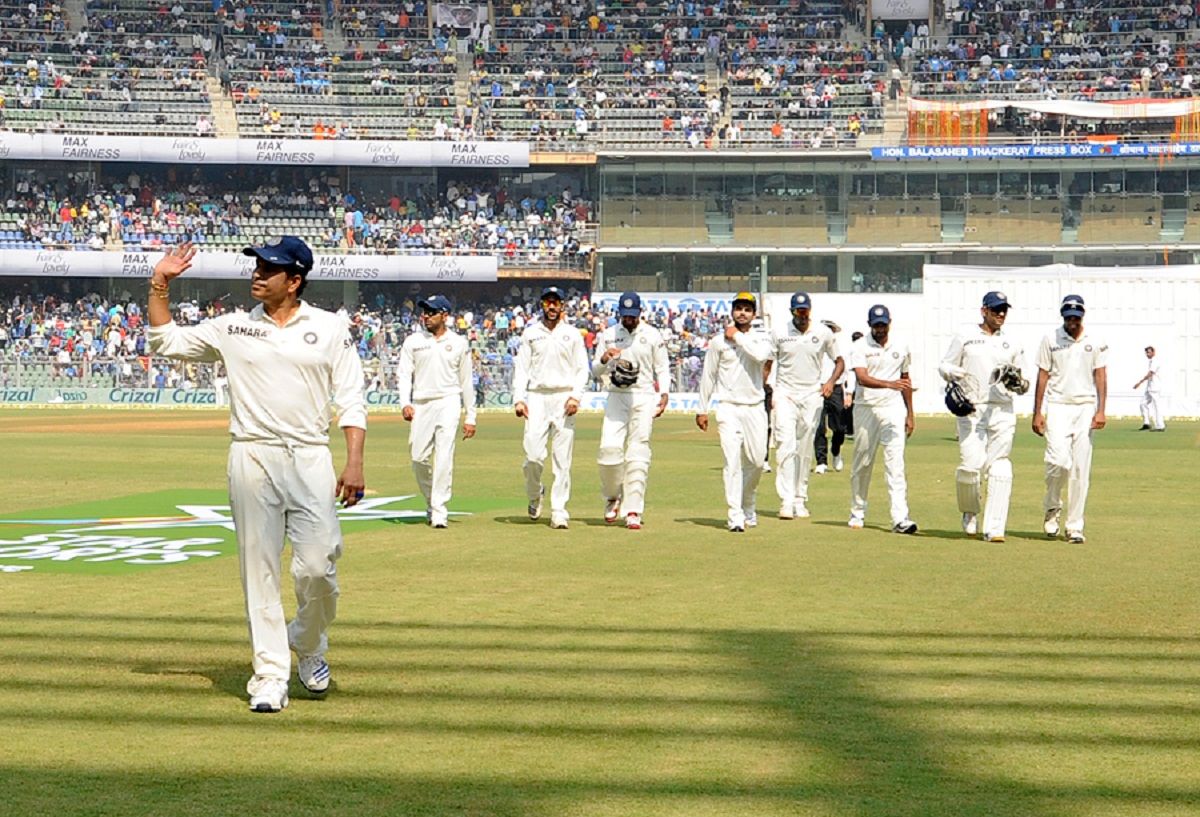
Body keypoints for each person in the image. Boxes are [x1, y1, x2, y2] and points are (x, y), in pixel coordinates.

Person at [147, 237, 366, 713]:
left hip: (310, 456)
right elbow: (168, 342)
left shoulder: (330, 328)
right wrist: (160, 282)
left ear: (296, 280)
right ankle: (269, 673)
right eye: (258, 266)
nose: (258, 274)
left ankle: (307, 643)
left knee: (319, 566)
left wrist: (354, 461)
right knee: (258, 569)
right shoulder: (232, 328)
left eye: (271, 268)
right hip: (251, 455)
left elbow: (351, 398)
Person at [938, 291, 1026, 542]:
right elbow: (944, 364)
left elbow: (1025, 383)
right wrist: (955, 374)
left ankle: (995, 528)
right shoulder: (966, 336)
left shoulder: (1013, 342)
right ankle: (970, 512)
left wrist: (1018, 382)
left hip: (1002, 409)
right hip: (972, 409)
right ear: (984, 311)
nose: (1000, 314)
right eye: (996, 309)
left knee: (1000, 468)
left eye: (1004, 310)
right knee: (970, 467)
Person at [512, 286, 590, 530]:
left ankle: (559, 510)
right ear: (542, 305)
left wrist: (576, 397)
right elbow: (522, 368)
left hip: (564, 397)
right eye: (548, 302)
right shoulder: (531, 333)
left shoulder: (573, 334)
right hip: (537, 397)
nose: (552, 307)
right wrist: (519, 398)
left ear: (563, 306)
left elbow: (582, 369)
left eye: (556, 302)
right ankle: (535, 493)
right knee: (533, 457)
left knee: (562, 460)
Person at [696, 292, 774, 532]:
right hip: (728, 407)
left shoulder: (762, 338)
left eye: (747, 309)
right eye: (738, 308)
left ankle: (748, 502)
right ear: (732, 311)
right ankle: (735, 515)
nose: (742, 312)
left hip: (754, 407)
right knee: (732, 462)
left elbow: (761, 357)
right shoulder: (719, 342)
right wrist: (702, 408)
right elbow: (708, 375)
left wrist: (738, 337)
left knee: (758, 461)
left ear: (754, 314)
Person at [1032, 294, 1107, 544]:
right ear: (1062, 316)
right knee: (1058, 461)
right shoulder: (1050, 339)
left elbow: (1100, 375)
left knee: (1079, 469)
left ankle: (1075, 526)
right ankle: (1052, 507)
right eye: (1068, 317)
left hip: (1085, 406)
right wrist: (1037, 412)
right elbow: (1042, 375)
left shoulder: (1095, 340)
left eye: (1076, 317)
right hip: (1058, 405)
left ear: (1082, 316)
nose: (1072, 322)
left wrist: (1101, 410)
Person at [397, 294, 477, 529]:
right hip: (422, 403)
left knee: (444, 457)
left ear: (445, 315)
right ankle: (432, 500)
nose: (426, 316)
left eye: (431, 312)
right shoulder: (413, 341)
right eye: (424, 312)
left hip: (449, 401)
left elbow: (466, 382)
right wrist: (405, 402)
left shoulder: (459, 343)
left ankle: (439, 509)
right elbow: (404, 374)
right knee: (418, 457)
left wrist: (470, 416)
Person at [592, 291, 670, 529]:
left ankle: (633, 509)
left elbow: (663, 367)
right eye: (625, 316)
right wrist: (605, 358)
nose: (629, 320)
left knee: (638, 452)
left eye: (633, 316)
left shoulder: (651, 335)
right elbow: (595, 371)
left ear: (640, 313)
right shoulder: (608, 335)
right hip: (617, 395)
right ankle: (612, 496)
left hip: (644, 395)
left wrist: (664, 394)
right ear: (619, 314)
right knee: (608, 451)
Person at [763, 292, 843, 519]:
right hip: (785, 393)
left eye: (805, 310)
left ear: (810, 310)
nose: (802, 314)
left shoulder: (823, 332)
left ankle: (800, 498)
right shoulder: (779, 332)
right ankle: (786, 500)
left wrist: (830, 383)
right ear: (792, 312)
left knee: (804, 448)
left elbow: (839, 361)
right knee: (786, 446)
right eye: (798, 311)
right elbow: (768, 364)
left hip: (811, 395)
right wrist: (765, 388)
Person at [847, 304, 917, 534]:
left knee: (895, 463)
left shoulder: (901, 346)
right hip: (866, 407)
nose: (880, 329)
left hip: (893, 408)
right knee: (863, 462)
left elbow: (905, 379)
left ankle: (900, 518)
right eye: (876, 325)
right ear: (869, 326)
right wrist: (890, 384)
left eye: (883, 325)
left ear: (889, 323)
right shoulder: (859, 346)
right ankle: (857, 511)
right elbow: (862, 378)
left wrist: (910, 413)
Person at [813, 321, 853, 475]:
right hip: (817, 388)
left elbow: (848, 371)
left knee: (839, 427)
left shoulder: (841, 349)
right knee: (819, 427)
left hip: (836, 388)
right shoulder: (814, 346)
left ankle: (836, 451)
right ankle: (821, 461)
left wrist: (848, 392)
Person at [1133, 345, 1165, 431]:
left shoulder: (1155, 361)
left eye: (1149, 352)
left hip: (1155, 387)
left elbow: (1150, 373)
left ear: (1153, 352)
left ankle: (1160, 426)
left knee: (1156, 406)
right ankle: (1146, 423)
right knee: (1143, 404)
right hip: (1150, 387)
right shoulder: (1151, 361)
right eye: (1146, 352)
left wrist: (1139, 382)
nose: (1147, 354)